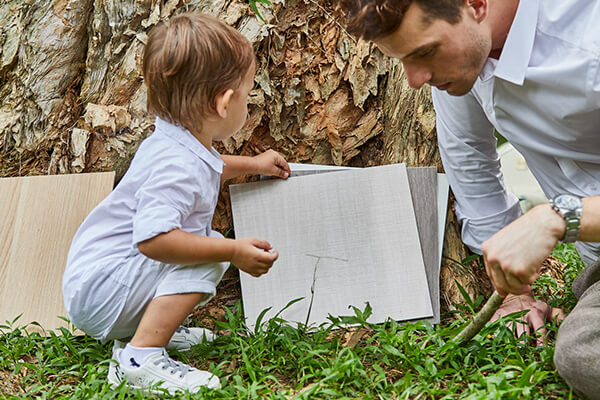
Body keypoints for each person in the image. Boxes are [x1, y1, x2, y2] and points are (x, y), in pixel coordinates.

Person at [340, 0, 600, 397]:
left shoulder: (587, 35)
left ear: (476, 4)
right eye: (401, 60)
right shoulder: (462, 59)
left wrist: (560, 217)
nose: (414, 79)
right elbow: (470, 158)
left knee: (582, 354)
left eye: (424, 52)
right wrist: (515, 294)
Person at [62, 12, 290, 395]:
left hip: (100, 283)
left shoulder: (174, 140)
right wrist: (232, 250)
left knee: (205, 242)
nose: (248, 103)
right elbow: (153, 240)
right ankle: (141, 356)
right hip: (105, 291)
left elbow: (208, 168)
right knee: (211, 252)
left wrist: (253, 164)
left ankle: (140, 333)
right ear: (224, 103)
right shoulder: (176, 166)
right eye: (248, 94)